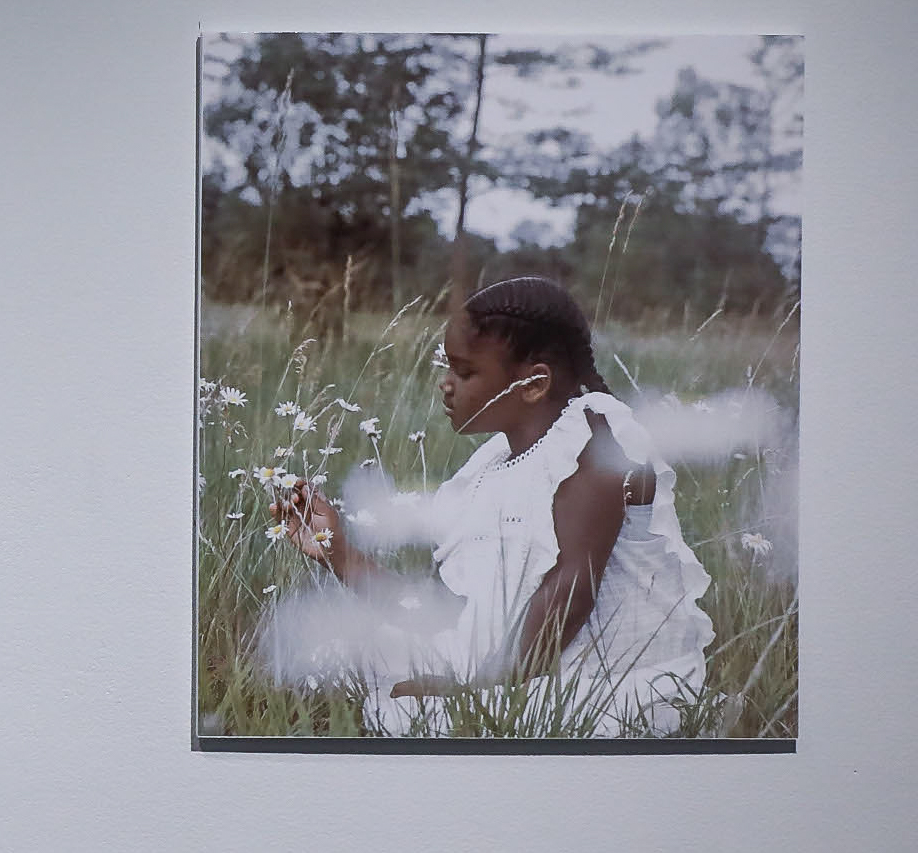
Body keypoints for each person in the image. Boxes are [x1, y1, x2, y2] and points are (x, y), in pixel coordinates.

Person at [273, 275, 712, 734]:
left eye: (465, 373)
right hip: (515, 662)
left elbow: (570, 594)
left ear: (533, 383)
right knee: (330, 654)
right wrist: (336, 552)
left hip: (606, 681)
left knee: (401, 714)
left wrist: (470, 692)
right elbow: (450, 609)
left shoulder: (596, 442)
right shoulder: (494, 465)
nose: (446, 385)